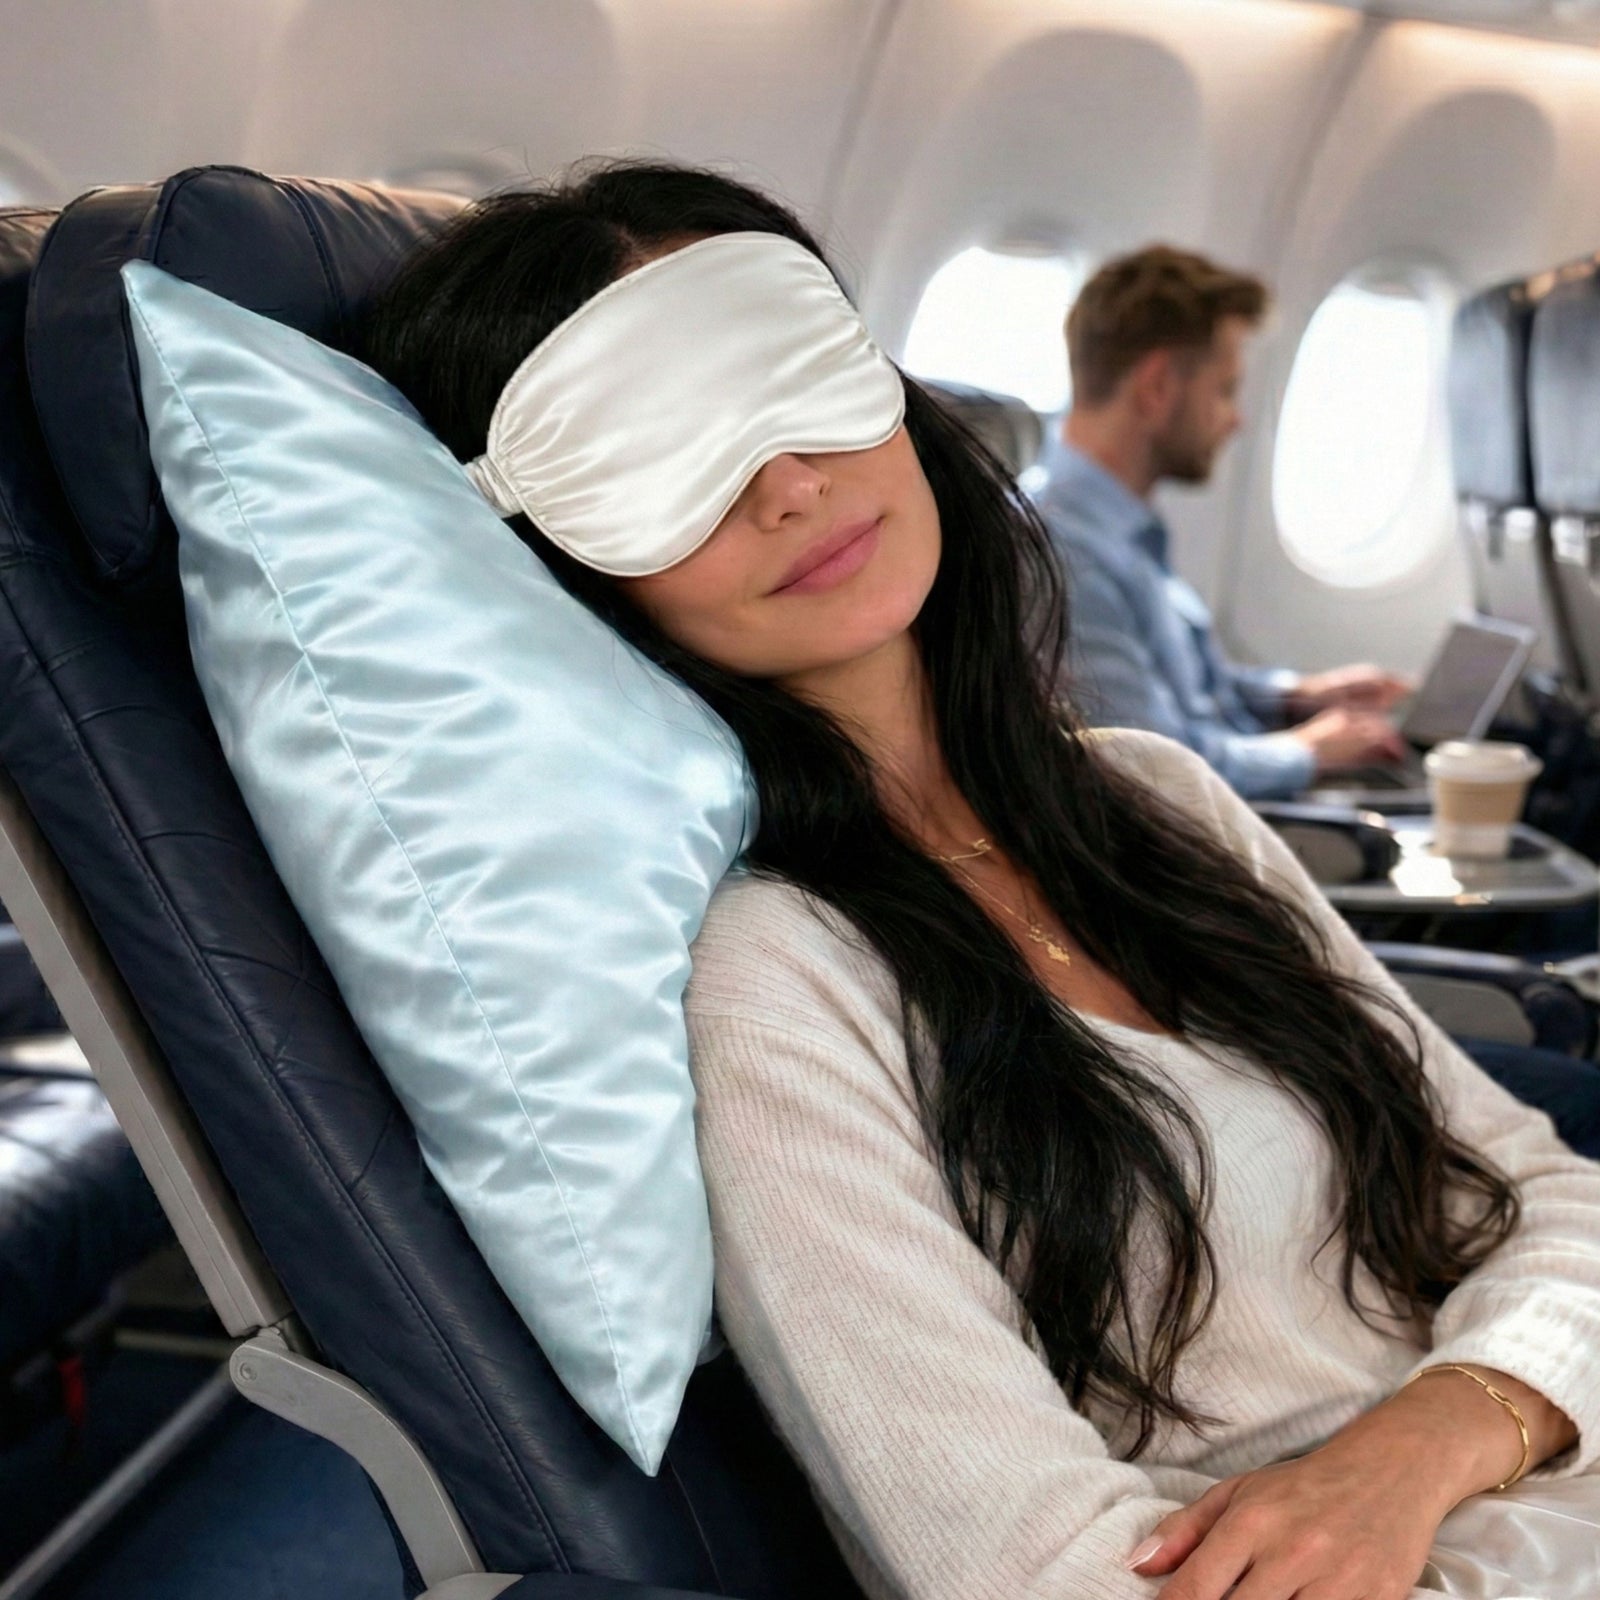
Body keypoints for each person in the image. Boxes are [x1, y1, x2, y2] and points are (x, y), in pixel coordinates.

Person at [362, 162, 1600, 1600]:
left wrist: (1436, 1437)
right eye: (654, 454)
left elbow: (1539, 1191)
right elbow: (1038, 1574)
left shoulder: (1156, 795)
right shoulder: (776, 984)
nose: (787, 482)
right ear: (553, 556)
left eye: (788, 376)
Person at [1033, 245, 1413, 799]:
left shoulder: (1116, 528)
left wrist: (1299, 695)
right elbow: (1154, 770)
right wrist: (1307, 750)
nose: (1235, 419)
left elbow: (1179, 689)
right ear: (1157, 386)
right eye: (1225, 389)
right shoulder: (1067, 552)